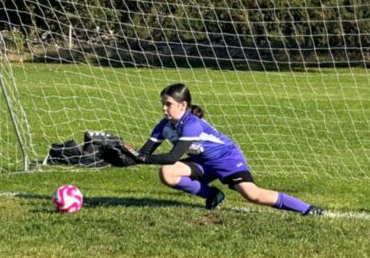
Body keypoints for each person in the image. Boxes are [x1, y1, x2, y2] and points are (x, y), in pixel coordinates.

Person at [133, 83, 324, 216]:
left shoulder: (192, 124)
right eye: (163, 104)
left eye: (168, 104)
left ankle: (307, 209)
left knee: (253, 195)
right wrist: (126, 155)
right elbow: (144, 153)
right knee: (167, 173)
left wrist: (141, 158)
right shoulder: (164, 125)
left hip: (226, 159)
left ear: (183, 105)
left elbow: (172, 156)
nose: (164, 109)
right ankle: (212, 194)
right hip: (202, 161)